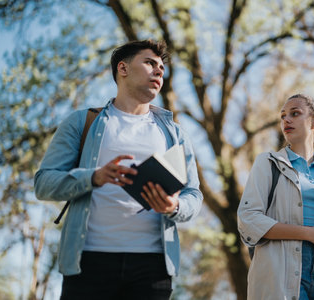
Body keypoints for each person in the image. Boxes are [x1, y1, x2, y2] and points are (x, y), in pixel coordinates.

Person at [34, 39, 203, 300]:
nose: (159, 71)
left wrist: (174, 207)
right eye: (149, 63)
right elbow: (44, 183)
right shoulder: (82, 122)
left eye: (161, 67)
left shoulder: (175, 133)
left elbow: (193, 194)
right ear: (122, 69)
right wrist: (93, 176)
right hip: (88, 263)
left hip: (154, 267)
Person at [237, 94, 314, 300]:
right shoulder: (268, 163)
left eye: (295, 113)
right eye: (283, 116)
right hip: (281, 269)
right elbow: (248, 219)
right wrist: (308, 233)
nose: (286, 120)